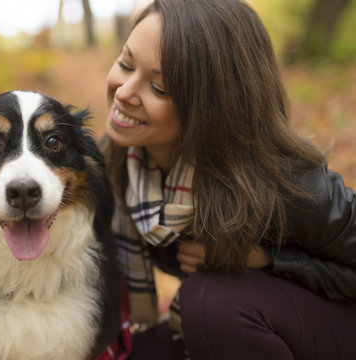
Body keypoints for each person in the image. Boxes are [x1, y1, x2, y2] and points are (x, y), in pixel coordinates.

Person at [101, 0, 356, 359]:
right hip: (257, 327)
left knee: (210, 302)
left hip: (333, 327)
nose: (125, 92)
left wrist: (268, 261)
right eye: (126, 64)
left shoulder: (284, 184)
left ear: (209, 108)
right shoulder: (118, 163)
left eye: (158, 88)